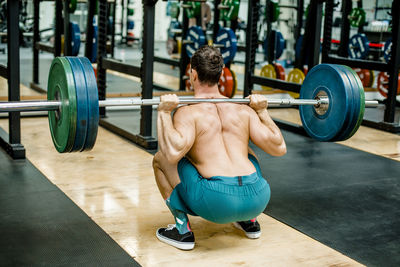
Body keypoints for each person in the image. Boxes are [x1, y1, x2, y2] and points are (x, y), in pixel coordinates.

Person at [153, 45, 286, 250]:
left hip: (216, 203)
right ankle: (249, 220)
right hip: (258, 197)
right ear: (221, 74)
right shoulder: (243, 110)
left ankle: (182, 230)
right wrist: (262, 112)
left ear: (193, 74)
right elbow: (279, 147)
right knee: (245, 151)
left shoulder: (188, 113)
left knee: (160, 160)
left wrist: (163, 113)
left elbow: (170, 154)